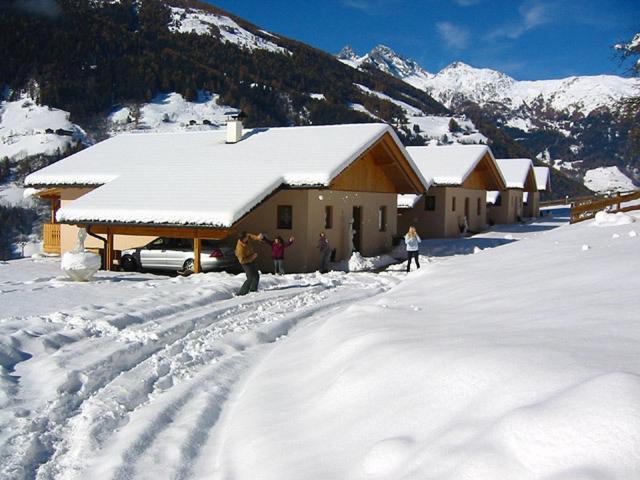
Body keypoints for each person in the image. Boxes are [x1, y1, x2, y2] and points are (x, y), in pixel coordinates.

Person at [235, 231, 263, 295]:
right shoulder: (240, 248)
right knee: (250, 277)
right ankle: (242, 293)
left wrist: (258, 237)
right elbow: (242, 260)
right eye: (246, 237)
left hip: (252, 259)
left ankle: (253, 290)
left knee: (256, 275)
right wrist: (252, 257)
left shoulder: (247, 238)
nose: (248, 237)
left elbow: (251, 236)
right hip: (245, 262)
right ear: (243, 238)